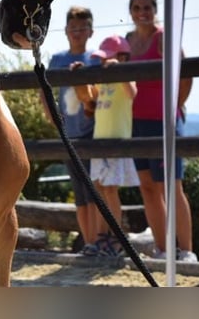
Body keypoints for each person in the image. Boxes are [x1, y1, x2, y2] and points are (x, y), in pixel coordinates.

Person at [127, 0, 196, 262]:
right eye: (137, 8)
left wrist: (175, 107)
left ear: (155, 10)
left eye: (147, 7)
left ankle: (187, 250)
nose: (142, 13)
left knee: (171, 186)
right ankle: (162, 248)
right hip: (134, 123)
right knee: (147, 187)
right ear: (130, 12)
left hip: (164, 122)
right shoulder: (126, 41)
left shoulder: (165, 38)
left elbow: (186, 74)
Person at [72, 34, 139, 256]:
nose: (103, 63)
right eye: (102, 59)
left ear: (122, 57)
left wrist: (120, 70)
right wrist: (80, 76)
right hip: (99, 142)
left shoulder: (124, 78)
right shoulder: (104, 80)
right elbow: (90, 97)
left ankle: (116, 239)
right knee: (99, 189)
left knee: (110, 190)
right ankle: (102, 238)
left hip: (115, 142)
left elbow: (133, 93)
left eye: (107, 58)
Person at [45, 6, 100, 255]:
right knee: (79, 192)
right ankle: (89, 243)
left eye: (82, 28)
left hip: (91, 132)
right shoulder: (57, 60)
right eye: (73, 28)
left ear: (90, 31)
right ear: (66, 30)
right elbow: (45, 92)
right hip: (67, 133)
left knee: (94, 191)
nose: (77, 32)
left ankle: (97, 241)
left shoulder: (95, 59)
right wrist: (51, 116)